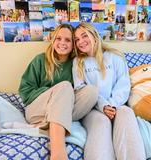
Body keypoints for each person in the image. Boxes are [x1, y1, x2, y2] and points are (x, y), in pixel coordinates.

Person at [18, 23, 97, 160]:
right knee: (65, 86)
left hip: (62, 110)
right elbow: (25, 92)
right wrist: (53, 93)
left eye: (67, 40)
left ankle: (53, 124)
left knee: (92, 91)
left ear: (73, 44)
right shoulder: (40, 60)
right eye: (58, 38)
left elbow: (80, 91)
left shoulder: (76, 63)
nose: (62, 43)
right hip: (37, 111)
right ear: (53, 40)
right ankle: (58, 154)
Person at [72, 22, 146, 160]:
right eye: (76, 39)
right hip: (93, 109)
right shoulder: (78, 62)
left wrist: (111, 105)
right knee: (101, 121)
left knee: (126, 112)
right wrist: (103, 106)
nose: (81, 41)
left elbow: (123, 85)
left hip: (117, 105)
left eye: (84, 36)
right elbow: (81, 90)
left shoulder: (115, 56)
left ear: (94, 35)